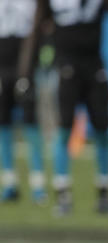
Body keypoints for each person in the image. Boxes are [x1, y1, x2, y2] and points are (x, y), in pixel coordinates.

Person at [18, 0, 108, 216]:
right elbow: (37, 28)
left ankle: (104, 192)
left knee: (102, 128)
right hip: (67, 66)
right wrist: (27, 72)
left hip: (94, 64)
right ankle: (62, 192)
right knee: (64, 128)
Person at [0, 0, 45, 204]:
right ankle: (9, 182)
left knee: (31, 123)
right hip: (2, 64)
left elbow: (36, 28)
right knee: (3, 125)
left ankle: (38, 184)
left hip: (24, 65)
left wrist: (26, 69)